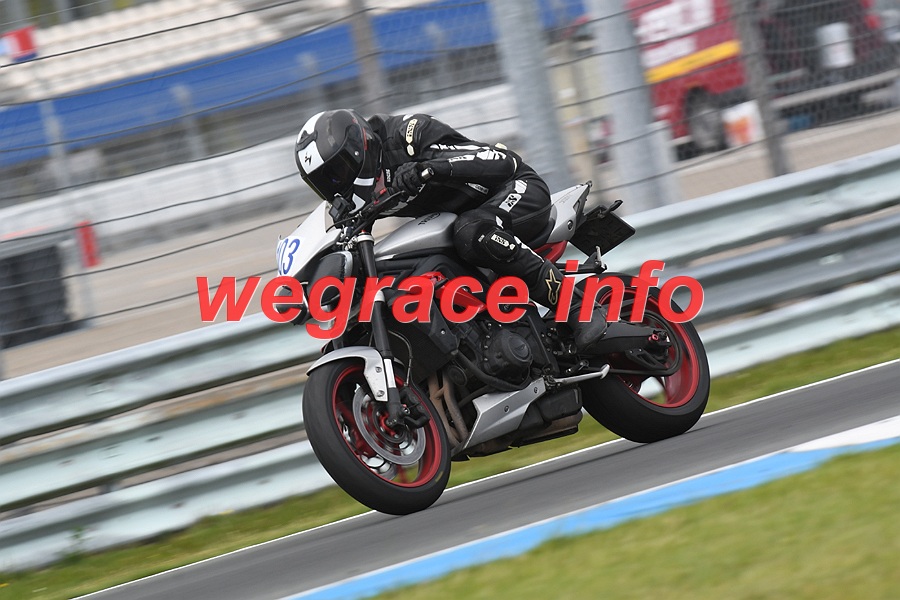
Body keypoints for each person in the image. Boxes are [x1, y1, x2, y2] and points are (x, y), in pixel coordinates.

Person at [293, 108, 610, 352]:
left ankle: (577, 305)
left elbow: (501, 161)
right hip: (464, 221)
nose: (337, 184)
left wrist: (429, 168)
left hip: (514, 189)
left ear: (358, 147)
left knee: (471, 232)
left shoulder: (408, 135)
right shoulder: (352, 200)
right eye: (325, 182)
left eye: (339, 171)